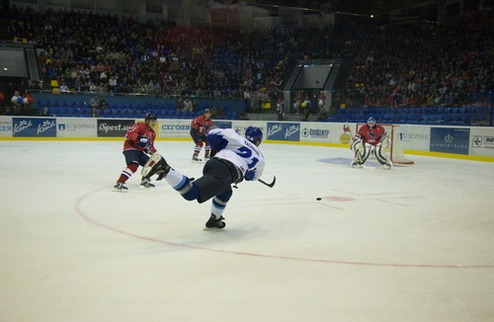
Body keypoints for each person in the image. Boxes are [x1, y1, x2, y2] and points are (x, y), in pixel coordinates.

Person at [141, 126, 265, 229]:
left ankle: (214, 219)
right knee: (191, 193)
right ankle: (165, 169)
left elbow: (212, 134)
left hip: (213, 163)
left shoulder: (236, 137)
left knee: (225, 192)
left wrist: (218, 147)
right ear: (258, 141)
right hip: (226, 172)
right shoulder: (260, 158)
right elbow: (252, 177)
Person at [113, 113, 158, 192]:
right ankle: (119, 183)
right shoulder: (139, 125)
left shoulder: (152, 133)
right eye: (152, 121)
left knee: (151, 164)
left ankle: (145, 181)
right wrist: (139, 138)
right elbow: (128, 134)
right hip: (130, 148)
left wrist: (155, 153)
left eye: (155, 121)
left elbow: (149, 147)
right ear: (147, 121)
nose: (154, 123)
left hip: (140, 151)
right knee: (133, 166)